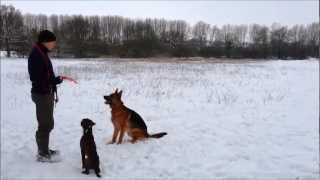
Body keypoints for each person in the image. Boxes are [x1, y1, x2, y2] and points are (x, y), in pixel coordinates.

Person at [28, 30, 63, 162]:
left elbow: (45, 74)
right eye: (53, 42)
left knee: (48, 123)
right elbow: (36, 77)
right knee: (45, 124)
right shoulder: (36, 54)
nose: (54, 44)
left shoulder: (41, 52)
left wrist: (54, 80)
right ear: (46, 42)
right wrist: (53, 81)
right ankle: (42, 154)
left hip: (45, 93)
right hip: (41, 94)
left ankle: (44, 149)